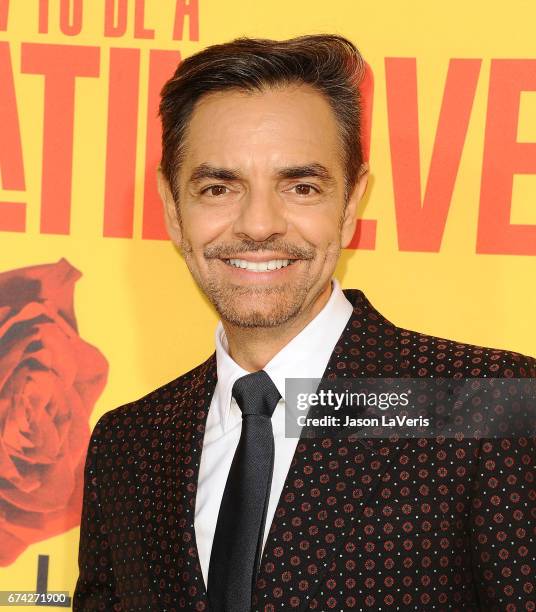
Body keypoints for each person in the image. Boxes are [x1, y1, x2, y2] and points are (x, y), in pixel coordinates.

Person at [73, 35, 536, 611]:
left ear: (350, 205)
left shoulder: (482, 404)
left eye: (301, 187)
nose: (260, 224)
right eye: (219, 188)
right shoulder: (129, 445)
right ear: (172, 208)